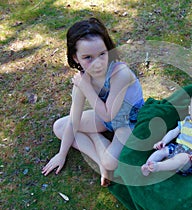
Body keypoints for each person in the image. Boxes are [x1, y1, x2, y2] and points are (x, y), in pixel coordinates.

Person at [42, 18, 144, 186]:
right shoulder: (83, 80)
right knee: (59, 127)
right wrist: (62, 154)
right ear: (75, 58)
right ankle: (100, 160)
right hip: (103, 119)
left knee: (112, 162)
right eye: (88, 57)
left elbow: (109, 115)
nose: (97, 63)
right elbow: (74, 121)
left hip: (127, 120)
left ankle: (100, 147)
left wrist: (86, 87)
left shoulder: (120, 73)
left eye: (102, 54)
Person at [141, 91, 192, 176]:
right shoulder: (186, 122)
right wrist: (163, 141)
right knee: (162, 150)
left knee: (183, 158)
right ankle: (147, 166)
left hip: (190, 158)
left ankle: (158, 166)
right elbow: (174, 132)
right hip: (176, 148)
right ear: (189, 110)